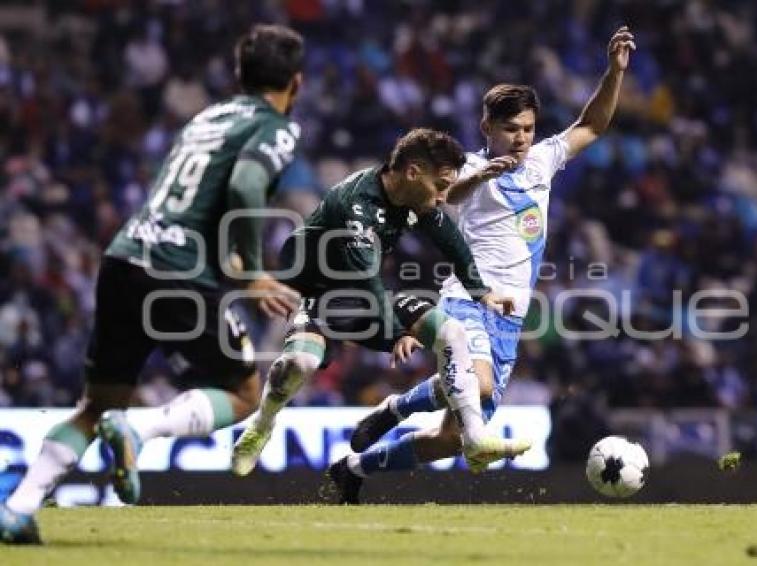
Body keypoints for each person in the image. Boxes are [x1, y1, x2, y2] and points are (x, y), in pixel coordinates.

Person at [1, 24, 306, 544]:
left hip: (125, 255)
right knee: (244, 391)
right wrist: (252, 270)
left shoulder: (208, 115)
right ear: (295, 84)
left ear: (239, 74)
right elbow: (248, 182)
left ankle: (17, 510)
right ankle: (138, 430)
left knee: (95, 405)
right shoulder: (276, 125)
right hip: (177, 268)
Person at [334, 26, 636, 502]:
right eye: (510, 129)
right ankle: (395, 413)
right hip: (469, 298)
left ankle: (357, 463)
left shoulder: (542, 161)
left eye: (527, 129)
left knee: (452, 437)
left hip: (510, 315)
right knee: (479, 383)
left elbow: (592, 125)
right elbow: (445, 196)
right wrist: (483, 176)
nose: (520, 139)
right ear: (487, 130)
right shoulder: (467, 165)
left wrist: (614, 73)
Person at [230, 128, 531, 501]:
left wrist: (481, 292)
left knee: (451, 332)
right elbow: (365, 279)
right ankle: (263, 422)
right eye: (440, 185)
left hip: (368, 295)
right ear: (412, 172)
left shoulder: (416, 199)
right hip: (320, 297)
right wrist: (396, 334)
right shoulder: (358, 205)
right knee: (300, 365)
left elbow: (450, 240)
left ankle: (474, 438)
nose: (443, 196)